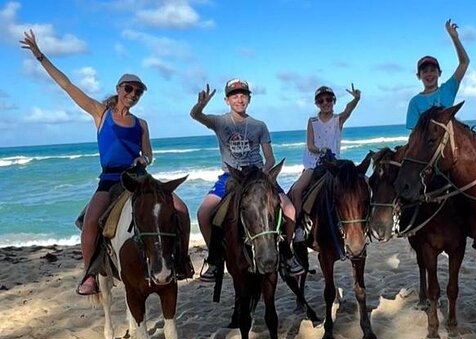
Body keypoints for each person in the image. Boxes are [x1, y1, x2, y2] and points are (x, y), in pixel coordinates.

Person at [19, 30, 194, 295]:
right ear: (119, 89)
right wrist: (40, 56)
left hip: (139, 178)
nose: (133, 94)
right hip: (111, 179)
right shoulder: (101, 113)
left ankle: (181, 261)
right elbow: (67, 85)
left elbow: (149, 154)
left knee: (179, 209)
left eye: (138, 92)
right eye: (129, 89)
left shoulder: (141, 123)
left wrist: (143, 158)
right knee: (91, 222)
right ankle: (89, 274)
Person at [190, 79, 304, 280]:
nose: (239, 99)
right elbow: (196, 115)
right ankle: (215, 259)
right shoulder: (220, 122)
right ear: (227, 100)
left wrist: (265, 173)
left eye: (243, 95)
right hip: (231, 176)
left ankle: (286, 253)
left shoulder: (258, 125)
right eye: (234, 96)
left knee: (290, 210)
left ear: (249, 99)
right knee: (203, 213)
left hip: (258, 175)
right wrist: (201, 105)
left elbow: (270, 157)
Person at [290, 84, 361, 233]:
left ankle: (363, 222)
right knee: (296, 190)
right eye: (321, 101)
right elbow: (310, 145)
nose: (325, 103)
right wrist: (321, 150)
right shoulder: (312, 121)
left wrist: (356, 99)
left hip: (334, 164)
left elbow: (348, 109)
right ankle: (299, 226)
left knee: (361, 184)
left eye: (328, 99)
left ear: (334, 101)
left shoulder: (338, 120)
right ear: (317, 104)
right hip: (314, 164)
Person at [406, 19, 470, 130]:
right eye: (425, 71)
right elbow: (414, 135)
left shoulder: (447, 89)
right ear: (418, 76)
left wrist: (455, 38)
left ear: (439, 73)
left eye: (432, 70)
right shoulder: (415, 102)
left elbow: (464, 63)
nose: (429, 74)